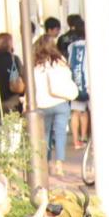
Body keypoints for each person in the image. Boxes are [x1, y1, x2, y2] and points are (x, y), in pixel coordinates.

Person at [31, 35, 76, 178]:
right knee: (60, 133)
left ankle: (47, 163)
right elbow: (69, 77)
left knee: (45, 135)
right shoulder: (60, 61)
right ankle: (59, 164)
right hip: (60, 102)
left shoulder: (36, 64)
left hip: (42, 104)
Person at [66, 20, 90, 151]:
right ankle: (84, 137)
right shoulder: (90, 44)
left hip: (75, 82)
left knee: (75, 112)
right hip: (89, 83)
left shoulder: (72, 46)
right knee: (85, 112)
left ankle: (75, 140)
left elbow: (70, 63)